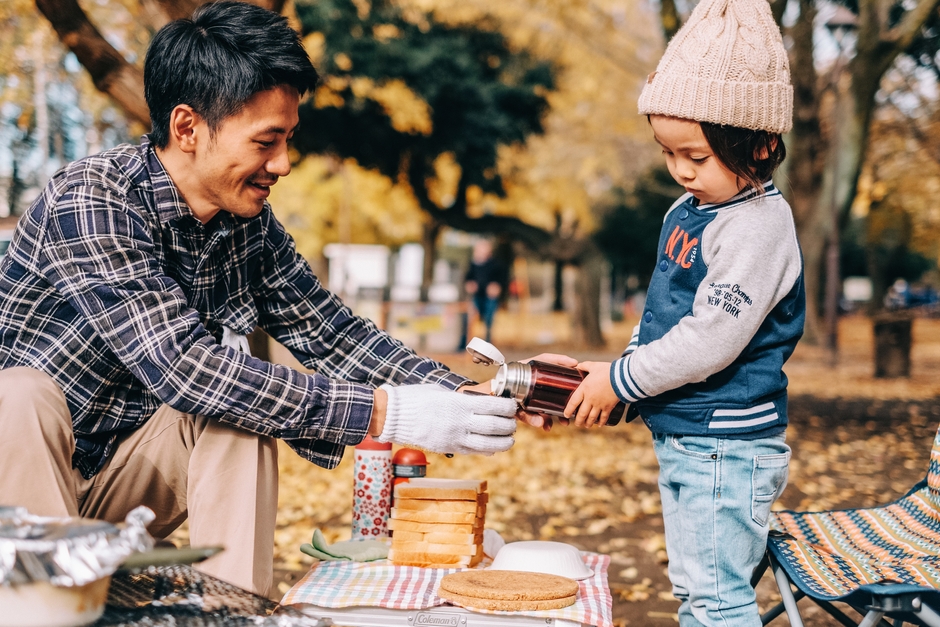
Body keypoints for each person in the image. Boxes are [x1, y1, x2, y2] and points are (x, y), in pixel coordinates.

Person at [0, 1, 520, 598]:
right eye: (266, 141)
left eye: (289, 140)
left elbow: (333, 335)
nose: (284, 164)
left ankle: (235, 608)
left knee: (241, 413)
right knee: (19, 393)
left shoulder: (247, 225)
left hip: (116, 492)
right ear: (187, 128)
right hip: (17, 497)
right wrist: (388, 414)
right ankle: (37, 606)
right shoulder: (92, 199)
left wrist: (460, 398)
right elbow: (183, 367)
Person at [562, 0, 805, 624]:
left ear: (761, 143)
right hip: (687, 436)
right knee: (698, 591)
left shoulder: (757, 227)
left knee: (715, 598)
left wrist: (620, 380)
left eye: (695, 157)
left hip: (727, 444)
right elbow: (665, 324)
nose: (679, 171)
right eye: (667, 153)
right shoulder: (687, 213)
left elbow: (711, 340)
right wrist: (613, 377)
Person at [464, 239, 507, 343]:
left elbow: (501, 280)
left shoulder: (495, 264)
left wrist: (496, 287)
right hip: (476, 295)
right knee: (468, 318)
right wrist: (470, 285)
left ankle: (488, 340)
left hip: (489, 297)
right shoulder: (473, 264)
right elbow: (467, 279)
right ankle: (465, 341)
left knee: (488, 319)